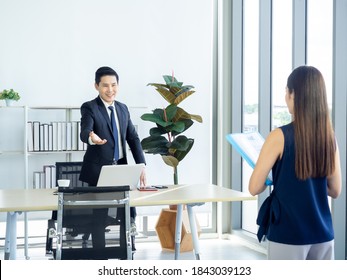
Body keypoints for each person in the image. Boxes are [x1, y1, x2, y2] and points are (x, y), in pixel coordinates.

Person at [249, 65, 342, 260]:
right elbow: (335, 190)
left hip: (288, 234)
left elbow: (254, 187)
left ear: (294, 95)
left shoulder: (278, 136)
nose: (285, 98)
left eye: (286, 92)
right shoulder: (329, 137)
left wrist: (286, 180)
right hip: (323, 235)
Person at [79, 66, 146, 250]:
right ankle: (99, 255)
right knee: (99, 216)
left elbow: (133, 138)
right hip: (99, 171)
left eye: (114, 85)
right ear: (96, 86)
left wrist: (141, 165)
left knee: (127, 211)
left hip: (122, 170)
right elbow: (85, 130)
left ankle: (127, 251)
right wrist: (91, 137)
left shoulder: (123, 109)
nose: (110, 90)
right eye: (105, 86)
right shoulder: (90, 107)